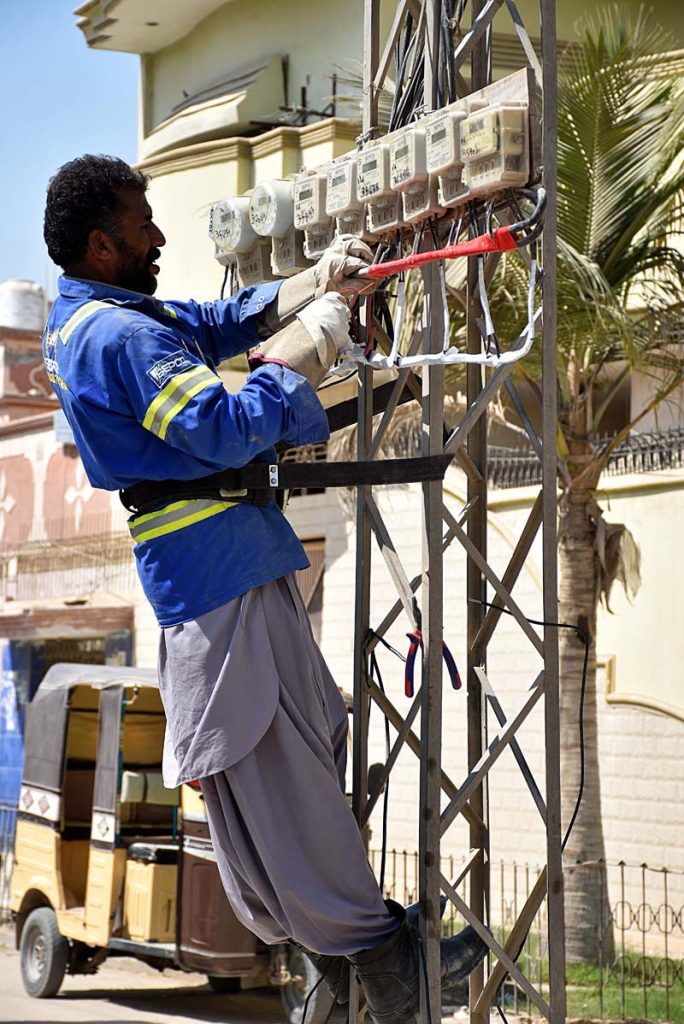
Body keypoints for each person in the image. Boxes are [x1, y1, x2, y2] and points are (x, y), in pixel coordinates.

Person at [42, 154, 485, 1023]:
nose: (160, 235)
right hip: (219, 570)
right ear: (101, 245)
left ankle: (356, 954)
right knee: (285, 779)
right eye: (142, 224)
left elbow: (202, 326)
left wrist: (300, 293)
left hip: (221, 564)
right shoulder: (118, 337)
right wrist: (306, 349)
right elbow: (218, 428)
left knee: (295, 752)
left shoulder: (97, 321)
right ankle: (383, 960)